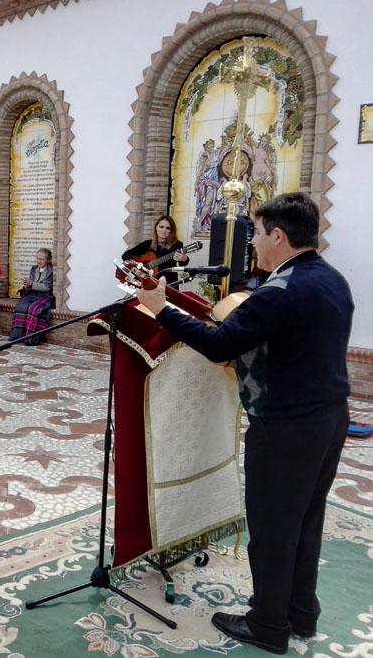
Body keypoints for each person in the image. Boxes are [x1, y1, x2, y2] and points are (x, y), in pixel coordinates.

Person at [136, 192, 353, 655]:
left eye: (256, 232)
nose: (252, 242)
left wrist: (160, 309)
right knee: (305, 520)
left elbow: (220, 345)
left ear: (278, 235)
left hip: (286, 427)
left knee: (274, 527)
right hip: (330, 419)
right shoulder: (332, 280)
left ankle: (269, 623)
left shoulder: (279, 291)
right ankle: (300, 612)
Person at [121, 215, 189, 284]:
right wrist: (139, 265)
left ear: (171, 231)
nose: (164, 230)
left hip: (168, 284)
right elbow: (125, 256)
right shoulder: (147, 244)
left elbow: (183, 263)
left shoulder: (177, 245)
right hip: (147, 284)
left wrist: (184, 258)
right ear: (156, 227)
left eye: (168, 228)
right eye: (161, 227)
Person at [9, 248, 54, 345]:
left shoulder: (51, 271)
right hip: (33, 294)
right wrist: (27, 286)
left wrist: (32, 284)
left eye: (42, 259)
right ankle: (17, 336)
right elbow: (31, 283)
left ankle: (31, 338)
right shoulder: (34, 269)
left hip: (44, 296)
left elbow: (47, 287)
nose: (39, 261)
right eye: (38, 258)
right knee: (20, 306)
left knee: (33, 309)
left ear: (48, 260)